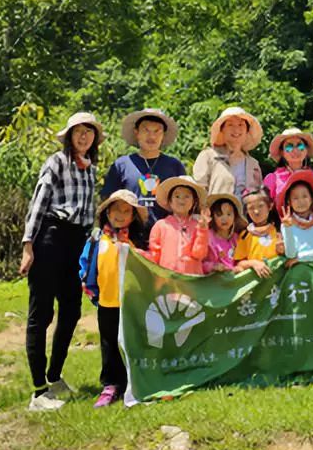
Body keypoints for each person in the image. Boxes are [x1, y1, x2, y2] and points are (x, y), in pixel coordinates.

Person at [19, 111, 102, 412]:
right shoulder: (56, 162)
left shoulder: (91, 169)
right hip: (50, 236)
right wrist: (29, 245)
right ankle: (38, 391)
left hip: (76, 241)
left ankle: (54, 376)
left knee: (71, 310)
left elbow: (89, 209)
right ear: (69, 135)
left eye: (89, 132)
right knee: (41, 313)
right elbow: (39, 201)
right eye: (78, 131)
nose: (84, 137)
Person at [79, 189, 148, 407]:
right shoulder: (98, 238)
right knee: (109, 343)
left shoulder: (137, 240)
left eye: (126, 211)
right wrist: (89, 287)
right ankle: (111, 384)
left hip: (133, 302)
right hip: (108, 300)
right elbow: (86, 263)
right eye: (115, 209)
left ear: (133, 216)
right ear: (107, 212)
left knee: (134, 341)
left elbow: (148, 265)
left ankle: (137, 381)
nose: (120, 214)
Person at [101, 109, 186, 231]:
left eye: (157, 131)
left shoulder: (174, 166)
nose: (152, 136)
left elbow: (185, 203)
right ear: (136, 133)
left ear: (163, 135)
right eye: (146, 130)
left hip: (166, 234)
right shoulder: (122, 165)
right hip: (128, 236)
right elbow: (108, 202)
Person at [193, 107, 264, 197]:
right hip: (216, 210)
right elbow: (199, 189)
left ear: (247, 130)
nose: (236, 130)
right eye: (230, 125)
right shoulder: (208, 156)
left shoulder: (253, 164)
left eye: (241, 125)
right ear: (222, 130)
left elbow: (258, 196)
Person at [146, 176, 210, 275]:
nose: (182, 200)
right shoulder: (160, 225)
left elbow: (199, 254)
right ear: (170, 201)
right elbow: (154, 256)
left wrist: (202, 230)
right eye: (177, 196)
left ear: (193, 202)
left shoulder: (198, 225)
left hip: (192, 281)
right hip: (168, 281)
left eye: (187, 196)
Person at [279, 169, 313, 265]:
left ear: (311, 199)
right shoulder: (286, 225)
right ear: (289, 202)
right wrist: (288, 228)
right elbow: (290, 254)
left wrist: (300, 258)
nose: (301, 201)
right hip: (295, 268)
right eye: (295, 198)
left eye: (305, 196)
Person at [234, 186, 284, 278]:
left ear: (270, 206)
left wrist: (283, 251)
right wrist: (254, 263)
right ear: (247, 211)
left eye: (261, 206)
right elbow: (239, 263)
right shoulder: (245, 235)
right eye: (251, 208)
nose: (256, 211)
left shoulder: (279, 230)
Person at [263, 128, 313, 209]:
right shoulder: (273, 179)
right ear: (282, 152)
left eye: (300, 146)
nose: (295, 150)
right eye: (289, 147)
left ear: (306, 150)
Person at [204, 193, 245, 273]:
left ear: (234, 217)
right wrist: (213, 267)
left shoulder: (237, 238)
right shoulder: (207, 237)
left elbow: (241, 260)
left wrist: (239, 267)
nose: (224, 218)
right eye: (219, 214)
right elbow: (200, 262)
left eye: (229, 214)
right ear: (212, 217)